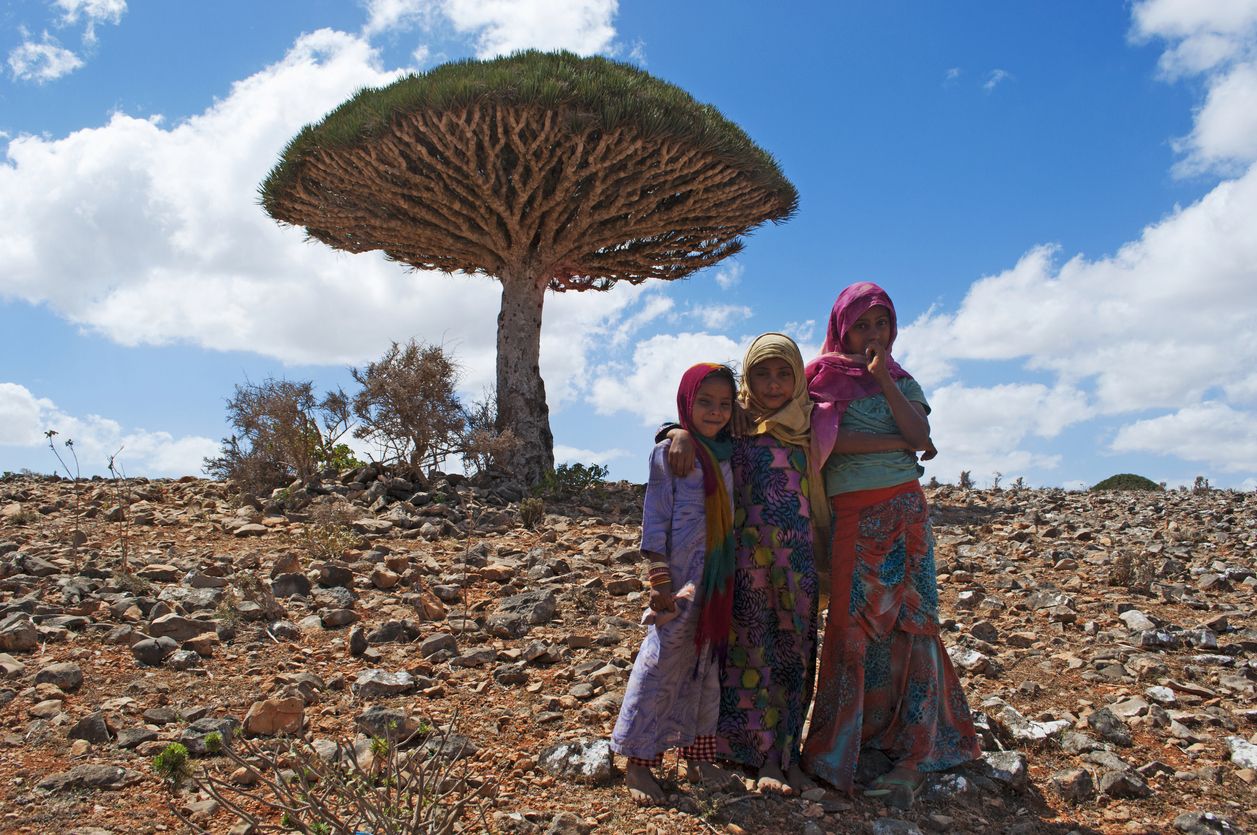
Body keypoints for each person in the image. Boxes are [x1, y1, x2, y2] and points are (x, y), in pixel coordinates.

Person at [801, 281, 980, 806]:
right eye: (862, 325)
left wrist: (884, 382)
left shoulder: (901, 380)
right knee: (854, 625)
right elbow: (828, 442)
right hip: (855, 514)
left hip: (906, 512)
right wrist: (902, 441)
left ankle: (917, 749)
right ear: (842, 327)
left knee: (913, 623)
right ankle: (843, 750)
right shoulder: (820, 379)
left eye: (882, 324)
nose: (873, 335)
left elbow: (920, 433)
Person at [659, 334, 825, 796]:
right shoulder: (736, 422)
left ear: (798, 376)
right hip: (744, 562)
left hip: (798, 564)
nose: (773, 384)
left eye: (783, 373)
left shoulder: (814, 423)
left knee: (794, 653)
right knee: (749, 651)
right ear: (747, 380)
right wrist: (674, 432)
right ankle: (745, 751)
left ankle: (784, 754)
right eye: (760, 374)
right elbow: (696, 425)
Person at [610, 363, 741, 805]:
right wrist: (659, 578)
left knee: (706, 664)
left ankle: (699, 756)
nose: (715, 412)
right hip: (680, 581)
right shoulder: (671, 453)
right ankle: (638, 761)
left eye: (725, 404)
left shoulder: (729, 453)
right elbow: (655, 519)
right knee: (663, 661)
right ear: (686, 402)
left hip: (717, 578)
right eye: (705, 402)